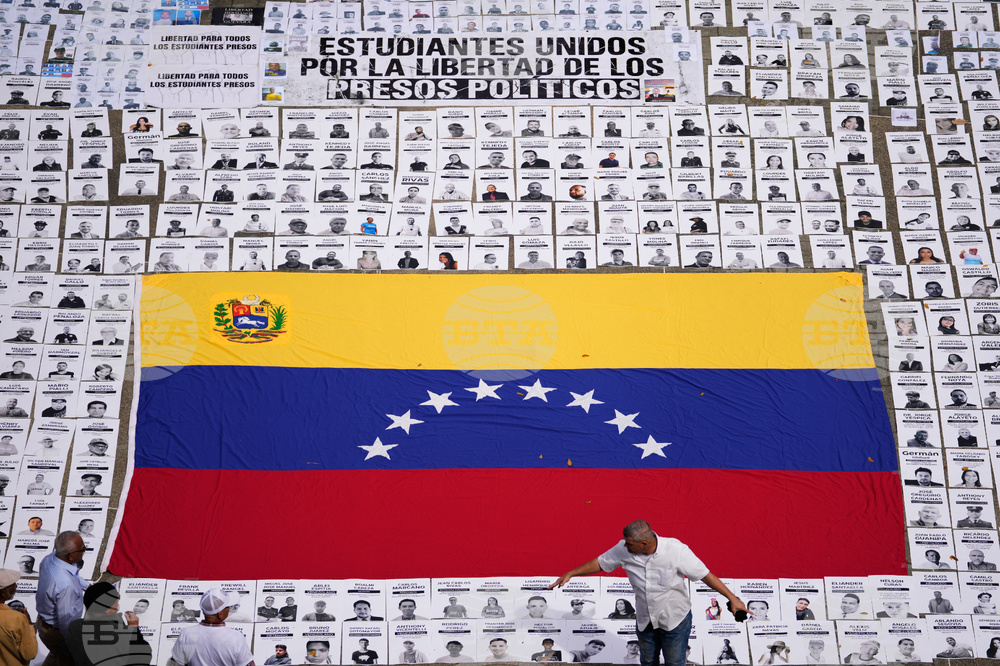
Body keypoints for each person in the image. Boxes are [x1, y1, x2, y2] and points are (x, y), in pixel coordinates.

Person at [550, 520, 745, 666]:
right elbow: (600, 563)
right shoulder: (623, 549)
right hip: (645, 619)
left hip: (675, 619)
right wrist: (572, 573)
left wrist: (732, 598)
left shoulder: (676, 550)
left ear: (644, 543)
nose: (624, 546)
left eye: (629, 544)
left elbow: (705, 575)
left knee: (674, 663)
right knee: (648, 662)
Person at [37, 531, 90, 666]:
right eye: (82, 548)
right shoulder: (67, 587)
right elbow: (67, 621)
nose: (85, 549)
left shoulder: (50, 558)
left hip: (45, 623)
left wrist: (89, 586)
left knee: (58, 655)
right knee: (67, 659)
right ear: (71, 557)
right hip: (57, 632)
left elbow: (74, 576)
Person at [66, 581, 150, 666]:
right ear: (108, 610)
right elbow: (143, 659)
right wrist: (134, 629)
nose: (118, 600)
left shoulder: (73, 627)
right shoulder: (122, 635)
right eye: (117, 598)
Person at [169, 588, 254, 666]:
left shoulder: (186, 634)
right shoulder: (236, 637)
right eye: (228, 607)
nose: (229, 609)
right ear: (220, 614)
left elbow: (176, 662)